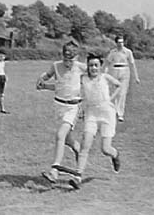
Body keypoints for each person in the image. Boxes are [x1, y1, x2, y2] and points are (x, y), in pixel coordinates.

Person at [56, 52, 122, 189]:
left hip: (107, 114)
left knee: (105, 149)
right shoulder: (83, 78)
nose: (93, 68)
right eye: (91, 65)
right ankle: (78, 176)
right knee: (85, 145)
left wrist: (110, 99)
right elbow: (72, 88)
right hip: (91, 113)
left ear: (100, 67)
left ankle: (115, 155)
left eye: (96, 65)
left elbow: (119, 85)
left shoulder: (104, 77)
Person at [36, 40, 86, 183]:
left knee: (60, 135)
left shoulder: (81, 68)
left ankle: (54, 171)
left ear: (76, 58)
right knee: (70, 142)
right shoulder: (56, 66)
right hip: (59, 107)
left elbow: (96, 77)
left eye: (70, 59)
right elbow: (55, 83)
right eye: (65, 58)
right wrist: (42, 82)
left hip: (73, 107)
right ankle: (78, 175)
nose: (67, 62)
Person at [104, 35, 140, 122]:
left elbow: (132, 64)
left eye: (122, 42)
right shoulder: (113, 52)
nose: (121, 44)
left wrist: (136, 77)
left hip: (125, 71)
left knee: (122, 93)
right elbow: (107, 63)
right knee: (114, 92)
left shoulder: (128, 52)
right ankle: (113, 110)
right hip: (114, 71)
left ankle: (120, 114)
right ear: (116, 43)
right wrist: (103, 73)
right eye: (119, 42)